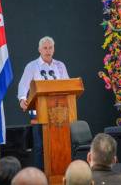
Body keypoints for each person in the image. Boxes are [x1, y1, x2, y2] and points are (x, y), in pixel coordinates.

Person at [17, 36, 69, 170]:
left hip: (58, 113)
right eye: (45, 48)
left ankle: (58, 173)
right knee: (40, 146)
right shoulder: (32, 66)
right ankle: (39, 176)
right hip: (39, 113)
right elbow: (23, 85)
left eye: (50, 48)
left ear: (54, 49)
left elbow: (68, 86)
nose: (48, 50)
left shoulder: (60, 66)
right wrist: (23, 99)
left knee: (59, 143)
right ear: (39, 50)